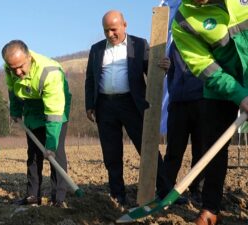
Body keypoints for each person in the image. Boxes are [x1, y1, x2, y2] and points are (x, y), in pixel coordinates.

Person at [84, 10, 173, 206]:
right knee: (111, 152)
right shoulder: (96, 49)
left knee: (147, 147)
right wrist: (89, 104)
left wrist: (165, 67)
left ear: (125, 25)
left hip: (132, 104)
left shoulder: (139, 45)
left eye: (113, 29)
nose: (110, 34)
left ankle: (165, 190)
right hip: (105, 106)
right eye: (106, 30)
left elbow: (153, 68)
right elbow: (90, 78)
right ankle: (118, 194)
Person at [172, 0, 247, 224]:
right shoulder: (182, 20)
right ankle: (211, 208)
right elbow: (203, 65)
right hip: (220, 86)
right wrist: (240, 95)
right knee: (213, 148)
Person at [2, 40, 71, 208]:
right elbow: (13, 90)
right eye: (13, 68)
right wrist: (15, 111)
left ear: (29, 57)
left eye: (21, 66)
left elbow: (53, 113)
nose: (17, 72)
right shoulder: (9, 67)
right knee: (33, 152)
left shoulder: (50, 73)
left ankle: (58, 197)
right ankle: (33, 195)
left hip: (55, 106)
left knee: (56, 152)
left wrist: (51, 144)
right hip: (31, 104)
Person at [163, 42, 204, 203]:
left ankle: (198, 191)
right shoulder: (176, 43)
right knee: (174, 149)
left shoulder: (207, 36)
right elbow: (171, 71)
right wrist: (174, 92)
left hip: (202, 101)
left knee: (201, 149)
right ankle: (166, 190)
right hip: (178, 103)